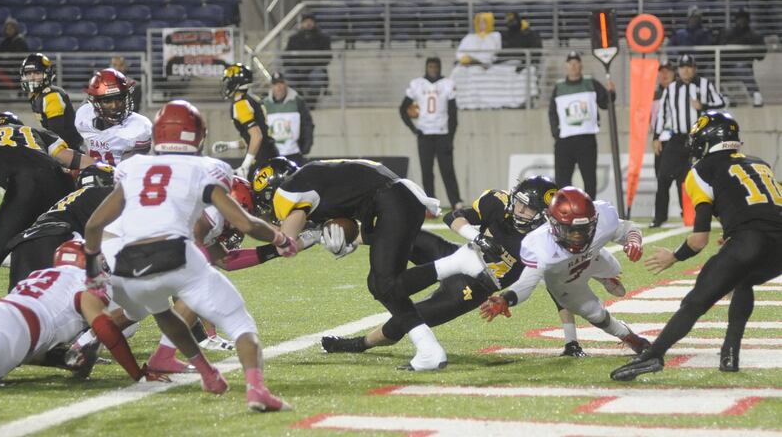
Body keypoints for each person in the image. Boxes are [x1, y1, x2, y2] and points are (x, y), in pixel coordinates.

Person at [83, 100, 296, 412]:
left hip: (129, 266)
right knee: (240, 322)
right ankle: (257, 391)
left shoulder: (134, 167)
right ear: (198, 135)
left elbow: (94, 224)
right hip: (175, 254)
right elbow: (246, 224)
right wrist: (280, 238)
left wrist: (92, 269)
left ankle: (208, 374)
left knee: (163, 312)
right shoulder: (207, 168)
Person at [251, 157, 497, 371]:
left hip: (390, 201)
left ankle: (459, 262)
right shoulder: (315, 181)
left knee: (383, 284)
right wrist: (329, 237)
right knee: (384, 284)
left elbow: (285, 242)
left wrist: (253, 236)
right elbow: (351, 226)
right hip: (397, 200)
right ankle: (428, 348)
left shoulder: (287, 192)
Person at [322, 176, 590, 358]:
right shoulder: (498, 204)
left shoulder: (544, 242)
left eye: (528, 208)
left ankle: (360, 344)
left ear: (544, 215)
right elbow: (454, 216)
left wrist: (571, 340)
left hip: (474, 287)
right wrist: (477, 238)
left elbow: (559, 292)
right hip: (460, 254)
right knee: (406, 234)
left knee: (409, 319)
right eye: (518, 202)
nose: (519, 210)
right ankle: (348, 242)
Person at [611, 111, 782, 381]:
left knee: (694, 303)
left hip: (749, 241)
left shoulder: (701, 170)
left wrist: (674, 256)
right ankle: (730, 353)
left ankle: (654, 354)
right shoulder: (760, 164)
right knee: (744, 280)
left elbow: (699, 239)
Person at [479, 187, 650, 355]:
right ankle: (628, 336)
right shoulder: (541, 244)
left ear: (594, 220)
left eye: (583, 230)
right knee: (596, 315)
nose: (577, 237)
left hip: (590, 257)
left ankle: (604, 275)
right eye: (571, 231)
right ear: (552, 223)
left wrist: (633, 241)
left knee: (611, 267)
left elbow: (628, 228)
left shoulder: (603, 217)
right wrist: (506, 298)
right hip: (565, 279)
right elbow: (527, 282)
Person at [0, 241, 164, 383]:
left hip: (3, 310)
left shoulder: (38, 275)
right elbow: (104, 327)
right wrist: (138, 374)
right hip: (16, 327)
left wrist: (62, 359)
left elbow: (28, 343)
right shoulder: (86, 280)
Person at [0, 112, 92, 278]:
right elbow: (70, 159)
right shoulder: (34, 132)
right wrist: (111, 170)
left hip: (25, 185)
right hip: (63, 182)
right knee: (73, 247)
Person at [6, 163, 114, 291]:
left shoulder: (72, 199)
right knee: (72, 296)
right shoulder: (103, 193)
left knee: (24, 299)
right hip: (55, 239)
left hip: (23, 244)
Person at [650, 54, 724, 228]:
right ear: (679, 70)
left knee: (691, 179)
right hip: (676, 139)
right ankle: (659, 217)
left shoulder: (705, 84)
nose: (686, 70)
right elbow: (662, 114)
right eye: (682, 67)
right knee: (663, 177)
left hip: (698, 138)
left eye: (689, 66)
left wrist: (703, 106)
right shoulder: (671, 89)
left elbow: (721, 103)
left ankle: (691, 214)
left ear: (694, 68)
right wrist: (656, 137)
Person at [548, 51, 615, 199]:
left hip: (586, 139)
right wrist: (556, 133)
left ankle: (589, 208)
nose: (573, 66)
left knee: (589, 179)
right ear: (566, 66)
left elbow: (605, 103)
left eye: (576, 63)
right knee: (562, 180)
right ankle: (564, 207)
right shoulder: (559, 87)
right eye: (570, 63)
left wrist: (611, 93)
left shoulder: (590, 83)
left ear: (581, 65)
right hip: (565, 140)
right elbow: (552, 112)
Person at [399, 57, 463, 211]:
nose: (433, 69)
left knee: (447, 170)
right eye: (430, 66)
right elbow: (402, 109)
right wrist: (414, 129)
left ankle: (456, 202)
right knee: (427, 171)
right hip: (424, 134)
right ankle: (430, 205)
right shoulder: (417, 84)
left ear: (440, 68)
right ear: (426, 67)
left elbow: (453, 114)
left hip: (442, 134)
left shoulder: (447, 84)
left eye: (435, 66)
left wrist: (450, 137)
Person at [75, 68, 152, 166]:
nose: (114, 106)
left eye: (119, 99)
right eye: (107, 101)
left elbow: (133, 167)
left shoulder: (139, 126)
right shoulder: (84, 116)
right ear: (95, 102)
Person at [221, 63, 279, 178]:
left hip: (261, 159)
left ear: (236, 82)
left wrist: (245, 166)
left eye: (228, 81)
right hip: (270, 153)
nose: (226, 84)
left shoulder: (241, 104)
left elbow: (257, 136)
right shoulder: (252, 99)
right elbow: (252, 138)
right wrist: (230, 145)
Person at [20, 53, 84, 151]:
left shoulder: (51, 96)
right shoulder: (36, 95)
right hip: (60, 145)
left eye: (37, 73)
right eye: (28, 74)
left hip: (68, 149)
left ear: (47, 74)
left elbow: (57, 133)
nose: (32, 77)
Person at [262, 72, 314, 166]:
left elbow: (307, 124)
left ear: (285, 84)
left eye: (281, 83)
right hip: (272, 154)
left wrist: (306, 146)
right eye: (275, 84)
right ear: (272, 86)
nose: (278, 87)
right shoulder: (265, 104)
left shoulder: (297, 101)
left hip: (294, 153)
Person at [285, 14, 332, 109]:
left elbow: (327, 56)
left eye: (310, 21)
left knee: (317, 76)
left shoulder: (323, 38)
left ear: (315, 23)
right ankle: (298, 100)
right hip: (297, 68)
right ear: (302, 23)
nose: (308, 23)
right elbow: (286, 55)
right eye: (306, 21)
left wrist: (313, 61)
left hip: (315, 68)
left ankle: (311, 102)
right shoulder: (294, 38)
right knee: (289, 74)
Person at [720, 8, 766, 107]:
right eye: (739, 18)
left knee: (740, 66)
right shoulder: (727, 33)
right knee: (710, 69)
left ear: (748, 20)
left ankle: (756, 95)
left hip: (743, 66)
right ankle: (724, 97)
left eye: (744, 18)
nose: (742, 20)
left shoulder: (754, 35)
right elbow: (719, 47)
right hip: (725, 65)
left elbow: (761, 55)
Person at [650, 61, 676, 198]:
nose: (665, 74)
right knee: (661, 180)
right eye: (662, 71)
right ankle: (661, 211)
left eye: (668, 71)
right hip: (660, 141)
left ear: (674, 73)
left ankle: (686, 209)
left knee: (683, 180)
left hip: (679, 140)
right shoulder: (652, 94)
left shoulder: (681, 91)